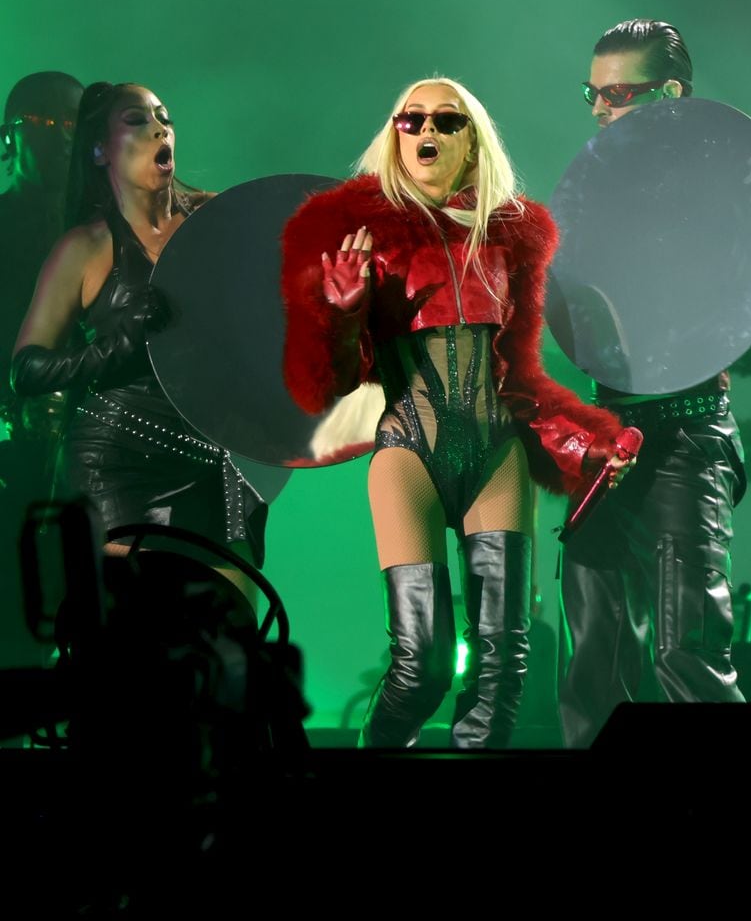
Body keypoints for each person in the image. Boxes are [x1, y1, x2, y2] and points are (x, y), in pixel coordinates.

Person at [281, 76, 633, 749]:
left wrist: (579, 445)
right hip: (408, 446)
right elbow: (330, 380)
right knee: (422, 668)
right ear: (393, 136)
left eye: (445, 120)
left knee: (504, 671)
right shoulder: (362, 233)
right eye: (409, 121)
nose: (426, 132)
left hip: (493, 447)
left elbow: (520, 380)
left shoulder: (510, 239)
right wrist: (346, 310)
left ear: (472, 142)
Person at [557, 19, 748, 748]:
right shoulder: (592, 202)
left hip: (689, 432)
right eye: (592, 94)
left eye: (618, 93)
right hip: (606, 439)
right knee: (595, 660)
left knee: (684, 651)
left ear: (669, 95)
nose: (601, 108)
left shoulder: (735, 190)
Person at [10, 82, 267, 610]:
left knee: (236, 632)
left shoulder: (214, 221)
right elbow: (27, 368)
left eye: (164, 117)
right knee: (133, 644)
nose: (159, 127)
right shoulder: (85, 247)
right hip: (116, 465)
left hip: (207, 455)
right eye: (137, 119)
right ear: (100, 150)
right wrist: (115, 345)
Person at [0, 72, 83, 667]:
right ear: (10, 138)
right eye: (43, 122)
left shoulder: (113, 237)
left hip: (93, 457)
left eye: (75, 124)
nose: (60, 138)